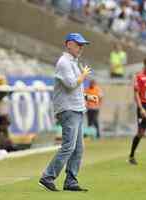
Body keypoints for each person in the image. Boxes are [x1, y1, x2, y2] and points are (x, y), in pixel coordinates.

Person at [39, 33, 97, 192]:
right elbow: (71, 84)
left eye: (82, 45)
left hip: (76, 107)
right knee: (69, 146)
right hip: (68, 109)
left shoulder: (72, 62)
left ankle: (71, 181)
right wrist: (83, 76)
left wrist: (86, 95)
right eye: (79, 44)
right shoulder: (64, 62)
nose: (81, 48)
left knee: (78, 148)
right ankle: (47, 177)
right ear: (69, 44)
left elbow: (73, 88)